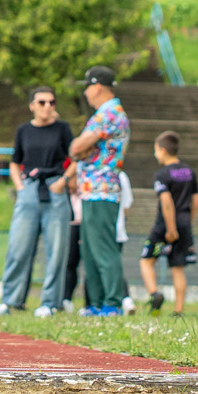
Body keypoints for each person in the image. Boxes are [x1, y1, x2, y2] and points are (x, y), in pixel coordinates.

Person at [0, 87, 74, 318]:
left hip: (55, 190)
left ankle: (50, 303)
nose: (47, 106)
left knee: (56, 250)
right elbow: (15, 161)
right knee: (18, 248)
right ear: (32, 106)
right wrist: (19, 185)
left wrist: (63, 181)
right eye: (42, 102)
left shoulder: (62, 129)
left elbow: (76, 158)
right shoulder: (23, 130)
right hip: (29, 189)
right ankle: (10, 301)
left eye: (52, 102)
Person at [67, 66, 133, 318]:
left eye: (87, 87)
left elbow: (76, 148)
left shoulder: (110, 113)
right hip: (91, 190)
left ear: (96, 87)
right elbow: (79, 149)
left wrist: (82, 149)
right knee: (90, 250)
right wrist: (82, 149)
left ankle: (112, 302)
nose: (85, 93)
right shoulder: (103, 114)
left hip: (102, 189)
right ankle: (95, 304)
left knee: (104, 248)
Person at [142, 131, 198, 316]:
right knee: (178, 268)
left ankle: (154, 294)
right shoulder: (189, 172)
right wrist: (187, 221)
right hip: (184, 223)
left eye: (156, 150)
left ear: (163, 151)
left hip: (165, 227)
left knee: (147, 260)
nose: (155, 155)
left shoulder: (162, 174)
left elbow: (166, 201)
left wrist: (171, 228)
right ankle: (178, 310)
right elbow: (196, 199)